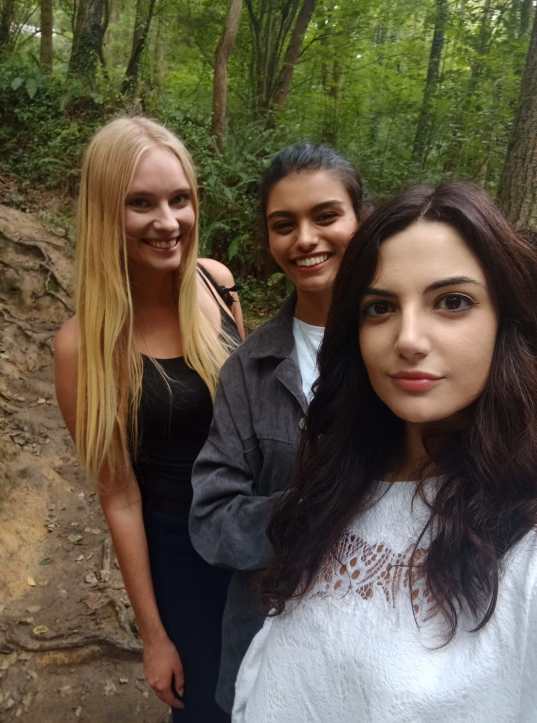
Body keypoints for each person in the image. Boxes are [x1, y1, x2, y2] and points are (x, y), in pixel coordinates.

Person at [233, 182, 537, 722]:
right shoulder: (337, 484)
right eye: (380, 308)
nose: (409, 339)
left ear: (505, 320)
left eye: (452, 302)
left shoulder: (524, 543)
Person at [54, 116, 244, 722]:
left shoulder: (216, 284)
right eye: (141, 203)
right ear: (105, 212)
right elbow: (120, 496)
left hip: (255, 534)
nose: (168, 221)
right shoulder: (83, 348)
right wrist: (154, 636)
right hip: (182, 557)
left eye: (179, 199)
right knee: (208, 707)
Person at [189, 142, 365, 713]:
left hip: (384, 655)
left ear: (361, 220)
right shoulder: (250, 368)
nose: (305, 239)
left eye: (326, 216)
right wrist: (315, 509)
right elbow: (212, 517)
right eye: (284, 225)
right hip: (272, 647)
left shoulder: (408, 347)